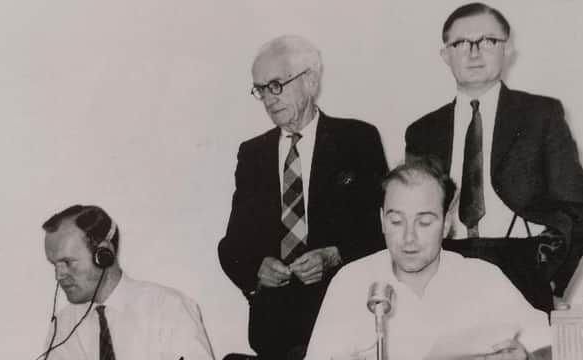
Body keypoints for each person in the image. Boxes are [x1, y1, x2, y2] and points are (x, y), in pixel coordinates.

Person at [405, 2, 583, 313]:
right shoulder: (422, 131)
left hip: (522, 265)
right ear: (445, 55)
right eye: (461, 43)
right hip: (445, 266)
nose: (474, 52)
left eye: (488, 41)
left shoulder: (541, 115)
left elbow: (577, 210)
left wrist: (548, 279)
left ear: (507, 50)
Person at [218, 35, 388, 359]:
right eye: (261, 89)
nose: (269, 99)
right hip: (274, 332)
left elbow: (381, 234)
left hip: (344, 323)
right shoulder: (253, 153)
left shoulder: (357, 140)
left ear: (310, 80)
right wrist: (256, 269)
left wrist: (334, 256)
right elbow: (231, 246)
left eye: (276, 85)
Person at [305, 159, 551, 360]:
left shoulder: (483, 278)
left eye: (424, 222)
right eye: (396, 222)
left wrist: (527, 358)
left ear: (445, 225)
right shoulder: (350, 282)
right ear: (382, 221)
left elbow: (550, 345)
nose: (408, 237)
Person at [40, 205, 215, 360]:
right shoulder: (64, 324)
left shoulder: (169, 308)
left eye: (68, 262)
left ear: (103, 254)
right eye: (54, 264)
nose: (59, 275)